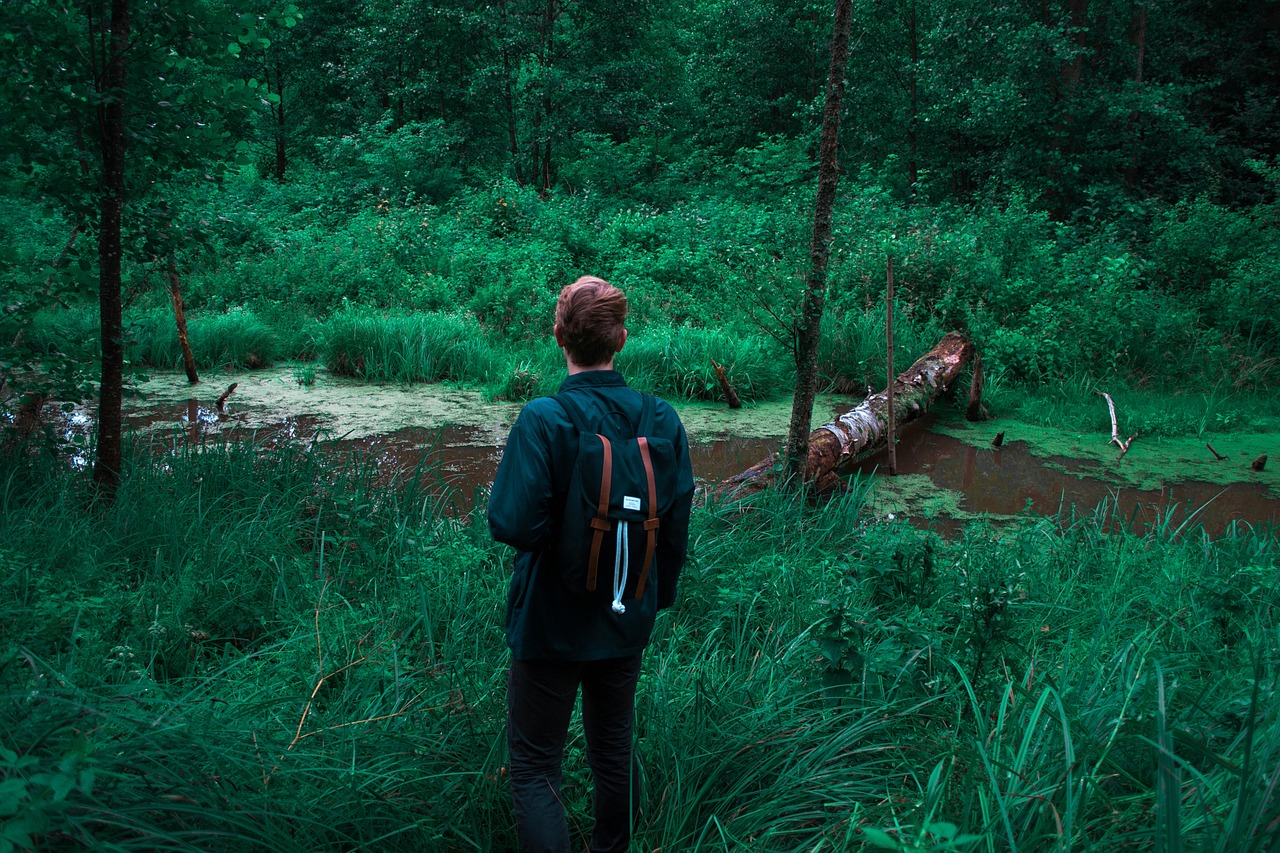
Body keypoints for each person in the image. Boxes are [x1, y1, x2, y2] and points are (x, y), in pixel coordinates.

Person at [488, 275, 695, 853]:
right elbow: (675, 525)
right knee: (612, 751)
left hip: (549, 623)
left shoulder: (544, 418)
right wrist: (651, 599)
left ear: (559, 337)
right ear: (621, 339)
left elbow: (511, 523)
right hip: (627, 616)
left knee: (536, 767)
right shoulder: (661, 419)